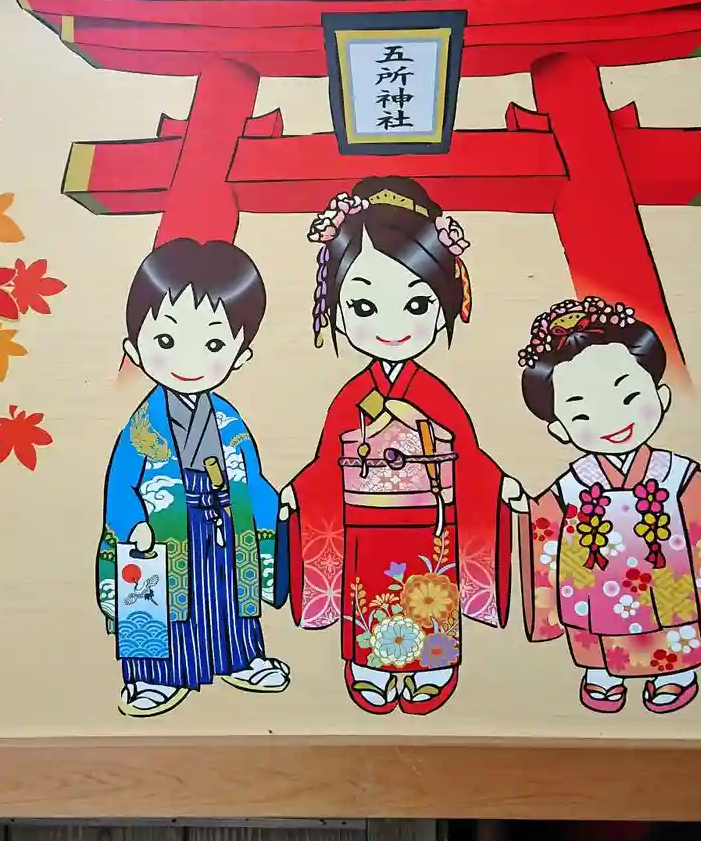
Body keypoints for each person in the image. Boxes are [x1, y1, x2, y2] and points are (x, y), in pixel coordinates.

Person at [280, 176, 523, 715]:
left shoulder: (435, 394)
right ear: (336, 307)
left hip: (430, 524)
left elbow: (468, 457)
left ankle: (431, 667)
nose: (392, 326)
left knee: (428, 594)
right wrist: (303, 490)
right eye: (364, 308)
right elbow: (327, 462)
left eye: (416, 304)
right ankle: (369, 666)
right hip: (365, 526)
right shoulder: (353, 396)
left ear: (444, 304)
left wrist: (496, 483)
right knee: (369, 594)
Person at [516, 296, 701, 714]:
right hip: (597, 576)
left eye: (628, 398)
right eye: (583, 414)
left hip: (663, 574)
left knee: (670, 618)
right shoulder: (576, 480)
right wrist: (523, 507)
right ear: (560, 430)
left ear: (661, 396)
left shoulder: (671, 470)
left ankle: (673, 672)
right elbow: (544, 519)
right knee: (595, 621)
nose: (612, 421)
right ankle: (601, 671)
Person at [99, 238, 289, 718]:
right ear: (135, 347)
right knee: (153, 597)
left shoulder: (228, 420)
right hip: (160, 528)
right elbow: (121, 484)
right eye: (166, 342)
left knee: (225, 596)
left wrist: (274, 508)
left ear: (240, 355)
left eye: (213, 345)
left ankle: (239, 657)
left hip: (223, 521)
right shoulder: (143, 427)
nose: (189, 361)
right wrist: (133, 522)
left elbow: (250, 477)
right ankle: (150, 677)